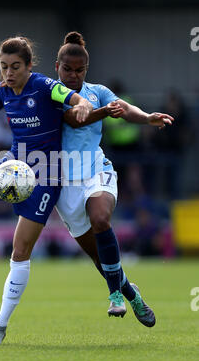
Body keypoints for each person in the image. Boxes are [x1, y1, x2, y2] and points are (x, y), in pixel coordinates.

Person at [0, 35, 113, 346]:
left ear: (29, 66)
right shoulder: (4, 90)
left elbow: (71, 97)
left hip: (47, 172)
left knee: (19, 252)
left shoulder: (43, 86)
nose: (8, 73)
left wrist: (83, 104)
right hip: (16, 163)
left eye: (15, 66)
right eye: (3, 67)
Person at [54, 31, 174, 326]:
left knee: (101, 220)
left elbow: (124, 107)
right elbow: (74, 118)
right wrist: (105, 112)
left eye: (79, 70)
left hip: (96, 169)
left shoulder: (98, 91)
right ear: (57, 67)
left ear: (86, 70)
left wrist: (145, 117)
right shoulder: (51, 93)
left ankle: (115, 296)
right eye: (67, 69)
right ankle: (131, 293)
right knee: (99, 257)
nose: (72, 75)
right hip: (64, 182)